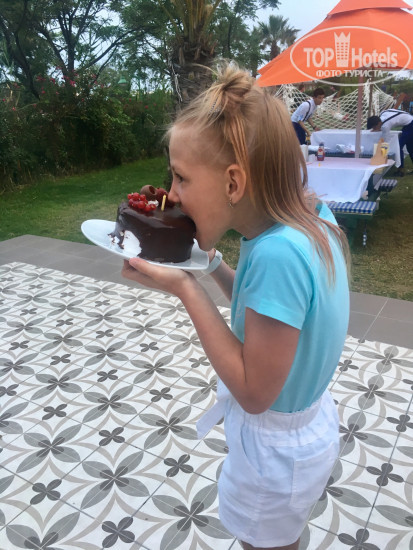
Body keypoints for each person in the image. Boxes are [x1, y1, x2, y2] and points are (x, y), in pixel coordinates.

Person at [122, 65, 350, 550]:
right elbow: (268, 311)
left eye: (181, 177)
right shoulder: (306, 221)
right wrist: (212, 266)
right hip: (304, 429)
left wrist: (188, 291)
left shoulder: (276, 254)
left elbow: (253, 392)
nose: (171, 194)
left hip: (274, 454)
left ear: (232, 183)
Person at [367, 108, 413, 176]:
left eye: (374, 127)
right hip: (409, 122)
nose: (374, 129)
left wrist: (379, 154)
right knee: (410, 147)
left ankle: (400, 170)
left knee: (399, 147)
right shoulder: (382, 113)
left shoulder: (386, 126)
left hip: (410, 125)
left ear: (378, 123)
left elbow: (384, 142)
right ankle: (401, 168)